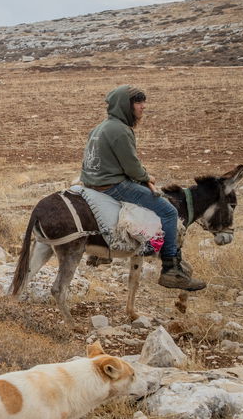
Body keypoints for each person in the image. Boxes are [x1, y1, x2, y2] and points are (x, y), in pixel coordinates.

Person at [80, 85, 204, 291]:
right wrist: (147, 177)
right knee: (169, 212)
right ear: (124, 106)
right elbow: (132, 167)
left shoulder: (99, 128)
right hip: (113, 186)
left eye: (143, 102)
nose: (143, 107)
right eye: (138, 103)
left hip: (91, 183)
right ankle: (171, 269)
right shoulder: (121, 130)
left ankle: (99, 253)